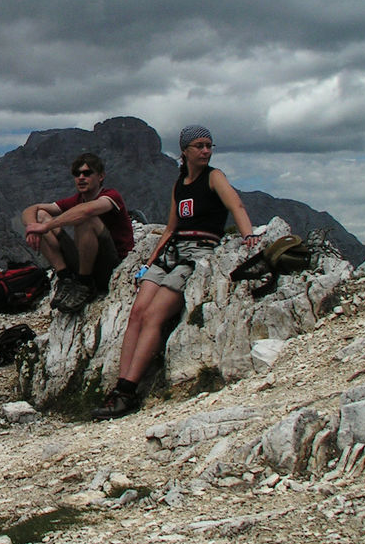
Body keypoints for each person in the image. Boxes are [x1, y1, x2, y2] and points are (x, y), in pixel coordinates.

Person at [92, 125, 262, 420]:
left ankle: (128, 391)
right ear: (185, 151)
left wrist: (248, 236)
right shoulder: (180, 183)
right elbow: (171, 227)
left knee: (155, 315)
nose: (206, 151)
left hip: (197, 252)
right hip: (172, 251)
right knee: (137, 313)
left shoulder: (215, 177)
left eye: (209, 145)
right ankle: (119, 386)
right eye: (199, 146)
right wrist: (150, 263)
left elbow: (236, 204)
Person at [21, 153, 135, 313]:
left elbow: (87, 210)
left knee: (85, 219)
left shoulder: (111, 196)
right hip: (86, 263)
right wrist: (32, 227)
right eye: (77, 174)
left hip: (111, 266)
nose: (81, 178)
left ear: (101, 176)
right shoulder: (77, 199)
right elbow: (31, 209)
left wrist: (47, 227)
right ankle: (65, 277)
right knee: (40, 216)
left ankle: (85, 284)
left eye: (87, 173)